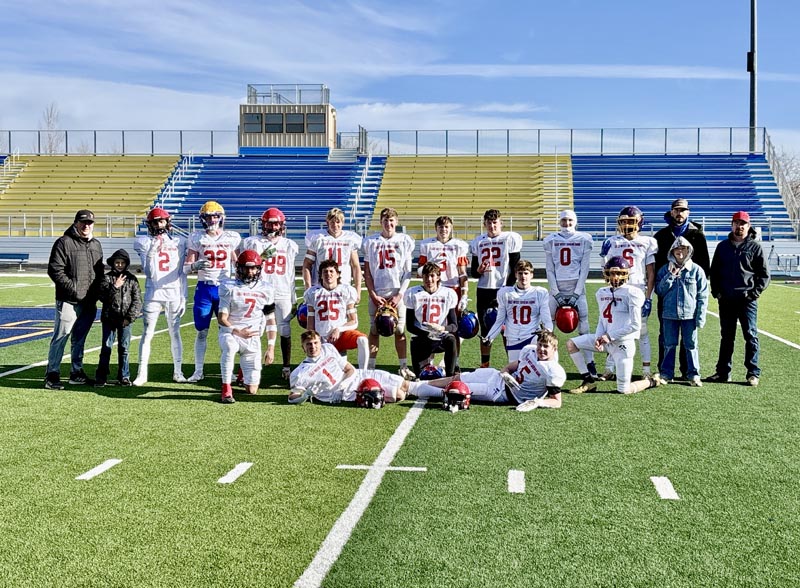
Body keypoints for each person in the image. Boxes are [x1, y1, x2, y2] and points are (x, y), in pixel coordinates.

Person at [567, 256, 661, 395]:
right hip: (606, 340)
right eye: (612, 273)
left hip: (623, 344)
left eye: (619, 273)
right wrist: (599, 337)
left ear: (626, 274)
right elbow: (602, 319)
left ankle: (652, 381)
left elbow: (635, 325)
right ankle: (588, 380)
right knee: (571, 344)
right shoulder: (602, 292)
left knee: (624, 390)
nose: (615, 277)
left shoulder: (633, 293)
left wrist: (609, 336)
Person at [421, 330, 566, 411]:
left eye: (546, 347)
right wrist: (505, 372)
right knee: (457, 378)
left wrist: (538, 402)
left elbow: (556, 401)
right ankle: (420, 383)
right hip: (496, 376)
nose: (541, 349)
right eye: (540, 345)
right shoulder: (530, 351)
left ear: (554, 349)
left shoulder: (552, 370)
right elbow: (511, 366)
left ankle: (412, 389)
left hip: (501, 393)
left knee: (458, 390)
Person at [287, 330, 441, 405]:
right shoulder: (299, 373)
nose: (313, 347)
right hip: (352, 391)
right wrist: (305, 394)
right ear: (303, 347)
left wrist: (342, 385)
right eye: (308, 344)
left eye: (315, 343)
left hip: (358, 376)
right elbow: (293, 396)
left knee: (405, 384)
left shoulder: (328, 348)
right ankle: (446, 391)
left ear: (320, 343)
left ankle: (448, 391)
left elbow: (350, 369)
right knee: (398, 393)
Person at [707, 211, 770, 387]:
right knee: (726, 337)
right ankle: (722, 372)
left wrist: (753, 294)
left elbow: (764, 275)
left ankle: (753, 373)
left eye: (743, 224)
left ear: (748, 227)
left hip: (747, 300)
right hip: (726, 299)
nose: (739, 226)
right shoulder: (723, 246)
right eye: (736, 223)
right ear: (731, 225)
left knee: (750, 335)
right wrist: (717, 293)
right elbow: (715, 272)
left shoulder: (755, 247)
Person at [45, 209, 105, 389]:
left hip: (89, 302)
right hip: (68, 300)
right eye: (83, 222)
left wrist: (99, 293)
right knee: (61, 336)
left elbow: (99, 273)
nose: (86, 226)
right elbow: (55, 270)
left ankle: (76, 372)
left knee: (79, 339)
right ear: (76, 223)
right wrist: (73, 290)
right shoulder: (64, 242)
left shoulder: (96, 244)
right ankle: (52, 374)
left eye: (89, 223)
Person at [184, 201, 242, 383]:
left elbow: (238, 264)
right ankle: (198, 371)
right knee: (201, 331)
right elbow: (186, 268)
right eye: (208, 216)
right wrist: (195, 265)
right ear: (203, 219)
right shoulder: (196, 238)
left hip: (224, 289)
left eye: (215, 216)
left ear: (221, 217)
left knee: (227, 333)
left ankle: (228, 371)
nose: (212, 220)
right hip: (204, 289)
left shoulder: (232, 238)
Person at [653, 198, 710, 379]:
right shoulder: (660, 236)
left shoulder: (698, 236)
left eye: (683, 210)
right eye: (676, 210)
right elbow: (655, 266)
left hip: (688, 294)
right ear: (671, 212)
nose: (679, 213)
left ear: (688, 212)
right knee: (666, 337)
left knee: (689, 339)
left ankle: (688, 372)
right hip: (667, 293)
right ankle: (665, 371)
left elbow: (704, 265)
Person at [239, 207, 299, 379]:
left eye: (276, 224)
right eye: (269, 224)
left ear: (282, 226)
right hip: (261, 291)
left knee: (285, 329)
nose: (273, 228)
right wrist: (262, 256)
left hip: (282, 291)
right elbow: (246, 264)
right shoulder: (254, 242)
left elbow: (291, 274)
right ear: (263, 225)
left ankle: (286, 367)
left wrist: (293, 298)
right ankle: (247, 368)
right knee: (254, 328)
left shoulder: (290, 245)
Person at [599, 206, 658, 378]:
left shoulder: (648, 242)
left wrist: (649, 297)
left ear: (640, 222)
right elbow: (606, 268)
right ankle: (610, 368)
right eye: (623, 221)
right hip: (617, 290)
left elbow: (651, 272)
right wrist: (602, 256)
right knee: (614, 329)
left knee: (642, 330)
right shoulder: (612, 241)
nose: (626, 225)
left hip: (638, 289)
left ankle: (646, 370)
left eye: (631, 221)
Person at [132, 207, 188, 386]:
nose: (158, 224)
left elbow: (183, 272)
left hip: (174, 293)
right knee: (147, 333)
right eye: (155, 222)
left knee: (175, 332)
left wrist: (184, 296)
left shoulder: (180, 242)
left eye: (161, 221)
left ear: (167, 222)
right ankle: (142, 373)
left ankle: (178, 371)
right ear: (150, 224)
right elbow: (149, 273)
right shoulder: (143, 242)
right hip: (153, 292)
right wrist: (151, 252)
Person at [362, 207, 416, 379]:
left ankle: (403, 366)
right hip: (377, 293)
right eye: (385, 220)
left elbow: (408, 272)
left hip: (396, 293)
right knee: (374, 330)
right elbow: (367, 272)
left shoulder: (405, 240)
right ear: (381, 222)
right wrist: (372, 294)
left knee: (400, 330)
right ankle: (370, 367)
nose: (388, 224)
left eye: (391, 220)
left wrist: (400, 294)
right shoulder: (371, 241)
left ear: (396, 222)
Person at [218, 250, 277, 404]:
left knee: (252, 390)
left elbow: (271, 320)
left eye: (253, 268)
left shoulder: (266, 289)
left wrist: (270, 347)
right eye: (246, 268)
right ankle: (226, 389)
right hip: (230, 333)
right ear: (239, 268)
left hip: (252, 337)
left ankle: (241, 373)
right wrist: (237, 331)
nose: (250, 272)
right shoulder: (228, 287)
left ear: (259, 268)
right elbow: (221, 319)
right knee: (230, 348)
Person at [543, 209, 595, 374]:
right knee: (548, 327)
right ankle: (549, 364)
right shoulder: (551, 240)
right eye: (564, 221)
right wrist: (555, 291)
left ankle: (590, 364)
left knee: (584, 327)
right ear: (559, 222)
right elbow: (549, 269)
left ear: (575, 222)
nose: (567, 224)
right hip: (556, 288)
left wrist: (577, 292)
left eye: (570, 221)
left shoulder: (584, 238)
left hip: (576, 288)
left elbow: (584, 268)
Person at [470, 209, 523, 367]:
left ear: (501, 223)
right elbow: (474, 272)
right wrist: (478, 271)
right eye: (489, 223)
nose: (492, 226)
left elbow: (515, 267)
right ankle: (484, 364)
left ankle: (512, 363)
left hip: (503, 288)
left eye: (495, 222)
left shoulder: (509, 238)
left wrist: (506, 288)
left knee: (507, 329)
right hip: (484, 288)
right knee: (486, 329)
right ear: (484, 224)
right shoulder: (478, 241)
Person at [304, 259, 369, 369]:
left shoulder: (346, 290)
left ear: (337, 274)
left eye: (331, 271)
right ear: (320, 275)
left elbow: (354, 321)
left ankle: (363, 373)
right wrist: (312, 337)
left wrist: (338, 329)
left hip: (341, 335)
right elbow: (311, 319)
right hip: (322, 336)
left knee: (362, 340)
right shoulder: (312, 292)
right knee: (330, 371)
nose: (328, 274)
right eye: (325, 272)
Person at [482, 260, 552, 362]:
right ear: (515, 274)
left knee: (539, 367)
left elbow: (546, 318)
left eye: (526, 273)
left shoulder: (540, 293)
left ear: (531, 275)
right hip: (513, 337)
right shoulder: (505, 293)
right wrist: (489, 338)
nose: (523, 276)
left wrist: (548, 332)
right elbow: (500, 320)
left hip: (532, 336)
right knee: (516, 371)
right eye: (520, 273)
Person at [95, 249, 142, 387]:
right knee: (106, 347)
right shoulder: (107, 278)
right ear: (113, 263)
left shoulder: (132, 280)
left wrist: (129, 318)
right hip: (109, 318)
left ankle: (124, 376)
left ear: (126, 264)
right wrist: (115, 287)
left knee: (124, 348)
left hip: (125, 320)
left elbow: (137, 301)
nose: (119, 265)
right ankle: (101, 376)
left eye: (122, 263)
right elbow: (102, 297)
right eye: (117, 262)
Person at [404, 262, 458, 377]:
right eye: (426, 276)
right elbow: (409, 325)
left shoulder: (448, 293)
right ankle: (419, 377)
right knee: (415, 343)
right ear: (421, 277)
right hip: (423, 337)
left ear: (438, 277)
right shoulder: (413, 293)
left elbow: (454, 325)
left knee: (451, 339)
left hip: (441, 336)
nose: (429, 279)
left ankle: (450, 376)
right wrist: (427, 333)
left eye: (432, 276)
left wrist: (441, 328)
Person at [302, 207, 362, 298]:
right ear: (327, 223)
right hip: (320, 286)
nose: (335, 225)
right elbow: (307, 264)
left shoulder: (350, 239)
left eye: (338, 222)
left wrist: (358, 291)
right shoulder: (318, 238)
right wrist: (308, 288)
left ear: (342, 223)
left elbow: (356, 266)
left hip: (343, 285)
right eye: (332, 222)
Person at [417, 215, 470, 310]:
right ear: (435, 228)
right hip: (434, 288)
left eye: (446, 226)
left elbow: (462, 273)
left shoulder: (459, 245)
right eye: (440, 226)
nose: (443, 229)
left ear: (451, 228)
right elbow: (420, 272)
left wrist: (464, 295)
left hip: (453, 287)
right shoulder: (427, 245)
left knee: (453, 321)